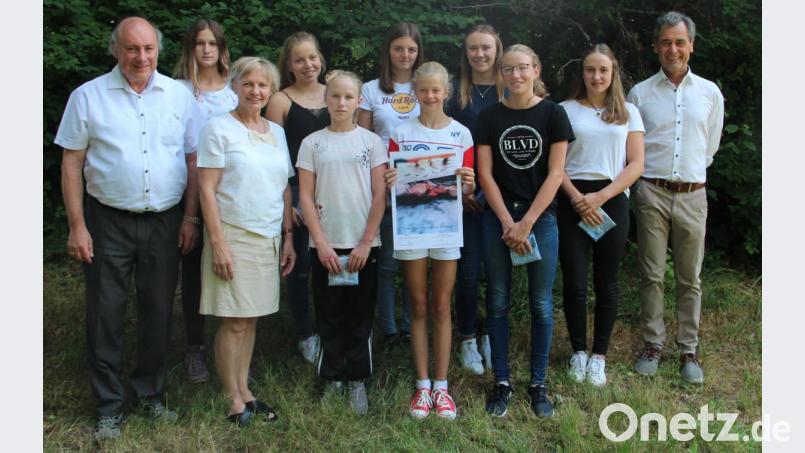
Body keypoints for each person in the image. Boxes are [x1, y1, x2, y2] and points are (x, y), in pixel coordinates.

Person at [55, 16, 202, 440]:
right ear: (116, 50)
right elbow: (71, 163)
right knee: (105, 313)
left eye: (149, 49)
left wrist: (190, 217)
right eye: (132, 49)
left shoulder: (178, 96)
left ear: (159, 50)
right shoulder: (87, 97)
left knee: (157, 309)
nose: (141, 57)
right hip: (107, 221)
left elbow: (192, 160)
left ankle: (150, 395)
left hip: (166, 219)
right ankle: (108, 406)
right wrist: (78, 226)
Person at [476, 44, 574, 418]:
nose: (515, 76)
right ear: (501, 74)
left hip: (541, 219)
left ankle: (538, 384)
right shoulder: (488, 118)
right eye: (508, 70)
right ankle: (502, 382)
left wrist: (528, 223)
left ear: (535, 70)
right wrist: (506, 223)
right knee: (498, 301)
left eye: (522, 68)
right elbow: (484, 174)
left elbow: (555, 173)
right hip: (498, 218)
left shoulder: (554, 114)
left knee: (540, 304)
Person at [197, 56, 295, 427]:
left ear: (271, 91)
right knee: (234, 321)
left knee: (250, 319)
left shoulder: (277, 132)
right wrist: (218, 243)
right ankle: (232, 398)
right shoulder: (218, 129)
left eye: (263, 85)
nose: (256, 91)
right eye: (249, 84)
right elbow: (206, 190)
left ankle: (245, 389)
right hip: (233, 234)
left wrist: (287, 235)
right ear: (235, 86)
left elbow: (284, 186)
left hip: (268, 235)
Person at [627, 11, 724, 384]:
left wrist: (691, 175)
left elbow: (709, 146)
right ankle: (653, 344)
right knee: (651, 273)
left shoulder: (709, 93)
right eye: (666, 42)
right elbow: (633, 147)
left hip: (692, 194)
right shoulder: (640, 93)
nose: (673, 49)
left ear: (691, 46)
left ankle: (689, 348)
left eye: (679, 42)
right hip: (651, 191)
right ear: (656, 47)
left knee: (690, 277)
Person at [385, 62, 475, 420]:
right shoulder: (400, 132)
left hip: (446, 228)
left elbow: (468, 186)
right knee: (418, 306)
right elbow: (390, 180)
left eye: (436, 90)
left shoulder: (461, 134)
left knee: (441, 306)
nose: (430, 96)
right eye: (423, 90)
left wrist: (468, 181)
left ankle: (442, 386)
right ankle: (422, 387)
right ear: (415, 93)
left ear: (446, 92)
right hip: (410, 227)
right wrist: (391, 178)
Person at [297, 70, 387, 415]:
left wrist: (366, 242)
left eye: (349, 97)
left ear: (358, 101)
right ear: (326, 99)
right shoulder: (313, 143)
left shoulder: (371, 142)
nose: (341, 102)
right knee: (329, 314)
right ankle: (333, 377)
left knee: (360, 315)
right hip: (326, 246)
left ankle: (357, 380)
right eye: (335, 96)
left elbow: (380, 194)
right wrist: (320, 243)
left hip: (365, 246)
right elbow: (305, 196)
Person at [558, 44, 645, 387]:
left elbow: (636, 163)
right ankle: (578, 352)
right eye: (590, 70)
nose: (596, 76)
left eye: (603, 70)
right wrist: (579, 199)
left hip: (611, 199)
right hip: (572, 200)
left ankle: (599, 356)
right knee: (575, 281)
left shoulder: (629, 113)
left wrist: (602, 196)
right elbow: (556, 166)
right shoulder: (564, 110)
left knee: (607, 282)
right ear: (582, 73)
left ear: (613, 74)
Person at [173, 17, 238, 384]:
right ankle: (195, 347)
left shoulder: (235, 91)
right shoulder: (177, 90)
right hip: (190, 193)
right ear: (191, 48)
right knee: (194, 271)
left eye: (213, 43)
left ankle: (231, 342)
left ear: (222, 48)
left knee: (231, 269)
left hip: (233, 197)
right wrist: (190, 214)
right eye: (200, 43)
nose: (206, 49)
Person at [265, 32, 330, 364]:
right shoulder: (279, 101)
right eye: (299, 59)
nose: (308, 65)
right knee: (301, 268)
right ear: (288, 65)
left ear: (321, 58)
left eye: (312, 57)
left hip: (336, 198)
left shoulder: (336, 94)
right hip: (297, 198)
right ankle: (306, 333)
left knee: (332, 266)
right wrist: (289, 206)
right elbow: (275, 159)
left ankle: (333, 329)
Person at [357, 22, 423, 348]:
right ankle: (389, 329)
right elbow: (363, 140)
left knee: (413, 259)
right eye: (399, 48)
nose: (405, 55)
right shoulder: (371, 90)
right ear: (389, 51)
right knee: (386, 263)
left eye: (411, 49)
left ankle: (412, 326)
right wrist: (374, 178)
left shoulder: (426, 87)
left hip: (421, 184)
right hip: (382, 184)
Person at [444, 24, 504, 376]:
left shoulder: (510, 88)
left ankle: (491, 335)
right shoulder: (455, 94)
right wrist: (463, 191)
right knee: (467, 273)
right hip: (461, 199)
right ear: (465, 53)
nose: (479, 54)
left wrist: (486, 191)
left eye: (485, 48)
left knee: (496, 274)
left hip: (500, 196)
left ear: (497, 49)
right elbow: (445, 143)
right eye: (472, 49)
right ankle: (467, 337)